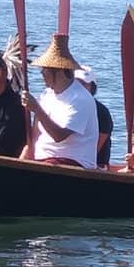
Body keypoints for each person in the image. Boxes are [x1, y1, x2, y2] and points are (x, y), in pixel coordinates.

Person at [21, 34, 98, 168]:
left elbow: (59, 135)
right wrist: (27, 155)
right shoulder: (46, 95)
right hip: (43, 161)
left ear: (59, 71)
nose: (42, 74)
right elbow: (36, 133)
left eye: (45, 69)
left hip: (73, 163)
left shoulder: (81, 98)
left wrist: (36, 109)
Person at [74, 66, 113, 168]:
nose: (79, 88)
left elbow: (95, 149)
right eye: (76, 83)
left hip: (95, 164)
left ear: (92, 87)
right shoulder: (68, 108)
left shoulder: (101, 112)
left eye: (83, 84)